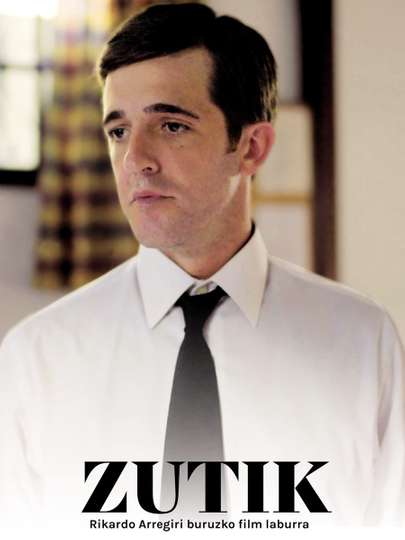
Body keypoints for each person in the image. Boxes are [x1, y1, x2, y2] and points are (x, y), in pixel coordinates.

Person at [0, 2, 404, 534]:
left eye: (171, 125)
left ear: (251, 147)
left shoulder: (363, 343)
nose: (135, 160)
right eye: (118, 131)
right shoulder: (37, 358)